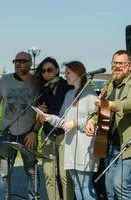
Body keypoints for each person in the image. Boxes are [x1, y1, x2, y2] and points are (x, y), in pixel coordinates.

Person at [85, 50, 131, 200]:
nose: (117, 67)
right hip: (111, 144)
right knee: (109, 189)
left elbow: (130, 104)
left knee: (120, 185)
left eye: (121, 63)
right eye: (114, 63)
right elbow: (100, 108)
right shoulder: (110, 85)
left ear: (130, 66)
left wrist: (108, 103)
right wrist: (91, 120)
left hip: (129, 144)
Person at [0, 51, 41, 200]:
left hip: (28, 135)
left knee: (32, 172)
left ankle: (33, 198)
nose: (18, 63)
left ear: (30, 64)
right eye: (15, 61)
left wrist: (35, 131)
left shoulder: (37, 82)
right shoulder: (5, 80)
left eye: (22, 61)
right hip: (7, 134)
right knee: (4, 174)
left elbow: (43, 110)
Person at [40, 61, 99, 200]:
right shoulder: (69, 94)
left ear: (78, 74)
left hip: (85, 147)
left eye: (68, 73)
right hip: (71, 147)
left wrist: (75, 123)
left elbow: (97, 119)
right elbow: (62, 120)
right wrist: (49, 118)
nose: (65, 75)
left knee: (85, 186)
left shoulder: (89, 94)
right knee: (77, 186)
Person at [34, 57, 74, 200]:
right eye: (44, 71)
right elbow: (40, 116)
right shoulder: (43, 89)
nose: (47, 73)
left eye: (50, 70)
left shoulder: (67, 86)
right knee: (48, 173)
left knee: (65, 175)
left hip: (64, 133)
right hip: (47, 134)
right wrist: (38, 111)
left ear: (57, 70)